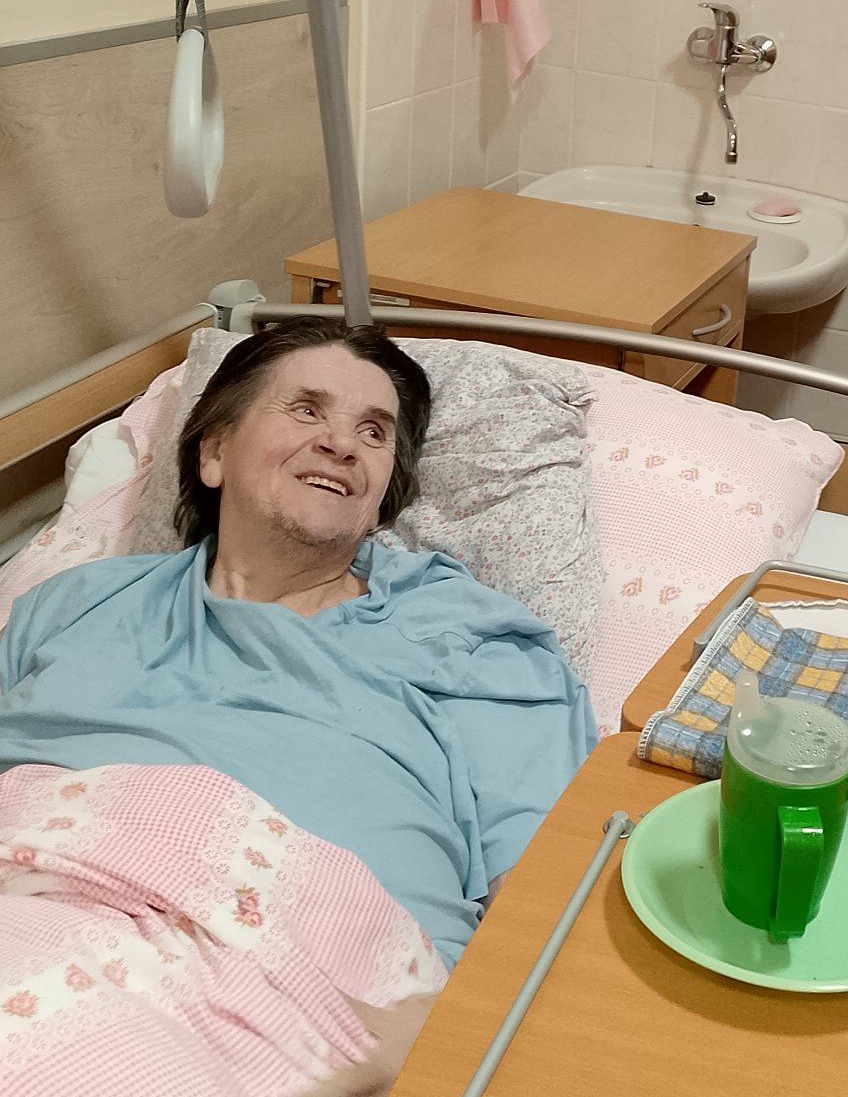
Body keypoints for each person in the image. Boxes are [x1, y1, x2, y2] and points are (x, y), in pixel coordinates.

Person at [0, 319, 596, 1091]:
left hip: (325, 1007)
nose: (342, 443)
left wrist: (436, 1028)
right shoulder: (73, 604)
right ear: (213, 452)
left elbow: (553, 892)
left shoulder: (468, 638)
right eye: (306, 409)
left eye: (374, 432)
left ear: (381, 500)